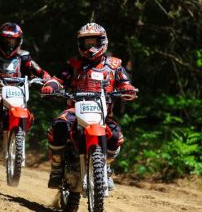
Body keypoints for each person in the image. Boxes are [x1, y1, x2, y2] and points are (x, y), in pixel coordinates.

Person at [40, 22, 137, 190]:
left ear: (103, 42)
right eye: (87, 43)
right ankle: (57, 168)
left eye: (94, 42)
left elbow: (124, 83)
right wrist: (51, 86)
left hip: (103, 114)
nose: (91, 47)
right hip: (74, 109)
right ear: (80, 44)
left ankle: (105, 166)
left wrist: (127, 89)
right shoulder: (73, 64)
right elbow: (59, 79)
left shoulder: (114, 65)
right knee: (59, 126)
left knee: (115, 136)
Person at [0, 22, 50, 171]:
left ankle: (16, 136)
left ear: (19, 40)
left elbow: (40, 71)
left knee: (29, 116)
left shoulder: (24, 57)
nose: (9, 44)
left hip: (17, 91)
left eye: (12, 40)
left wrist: (48, 80)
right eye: (6, 40)